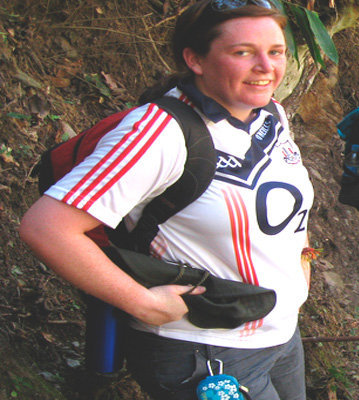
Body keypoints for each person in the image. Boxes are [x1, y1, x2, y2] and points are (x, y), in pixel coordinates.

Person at [18, 1, 311, 399]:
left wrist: (301, 261)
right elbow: (46, 228)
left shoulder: (269, 113)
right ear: (195, 59)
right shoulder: (158, 132)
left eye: (275, 51)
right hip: (204, 350)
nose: (265, 66)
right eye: (243, 52)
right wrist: (143, 304)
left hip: (279, 335)